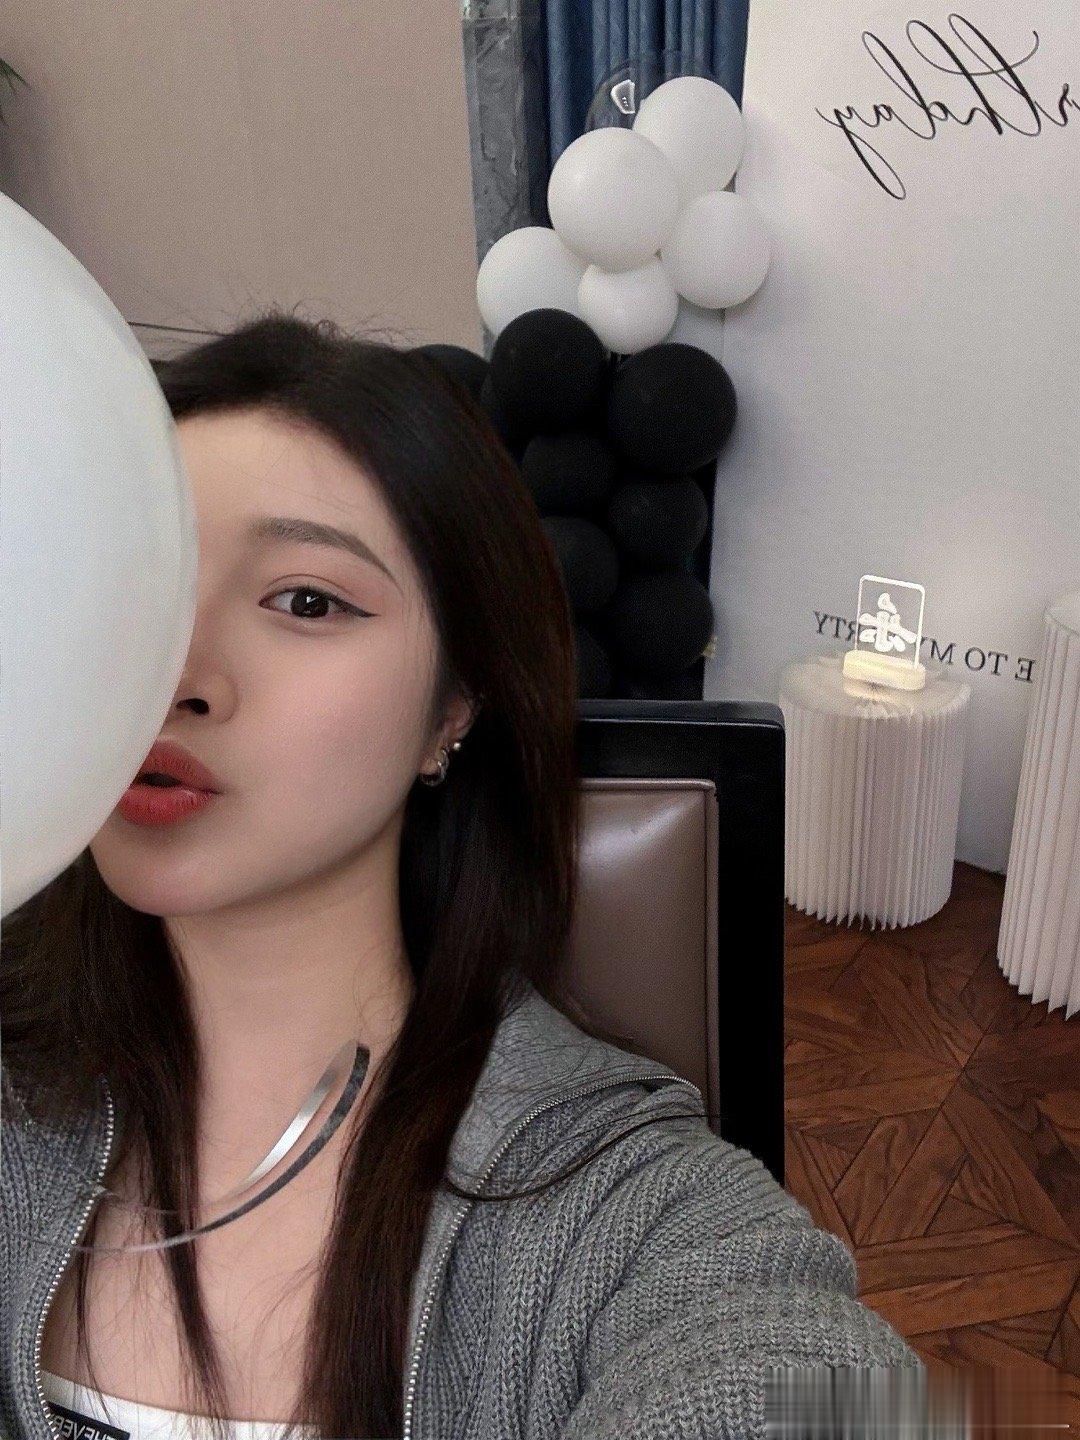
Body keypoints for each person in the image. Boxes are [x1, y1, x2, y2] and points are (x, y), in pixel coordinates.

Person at [0, 311, 922, 1440]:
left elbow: (788, 1380)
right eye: (149, 578)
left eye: (306, 600)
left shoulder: (618, 1212)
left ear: (454, 706)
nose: (176, 674)